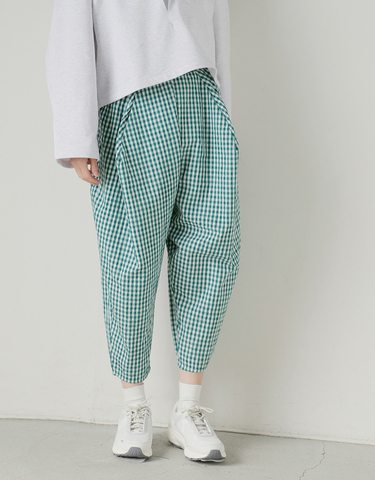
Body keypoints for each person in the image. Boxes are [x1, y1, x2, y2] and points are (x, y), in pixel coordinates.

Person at [44, 0, 241, 463]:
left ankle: (188, 409)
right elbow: (69, 38)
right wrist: (77, 135)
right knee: (130, 260)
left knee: (212, 249)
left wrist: (224, 117)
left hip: (202, 100)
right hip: (129, 105)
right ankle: (134, 405)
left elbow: (218, 30)